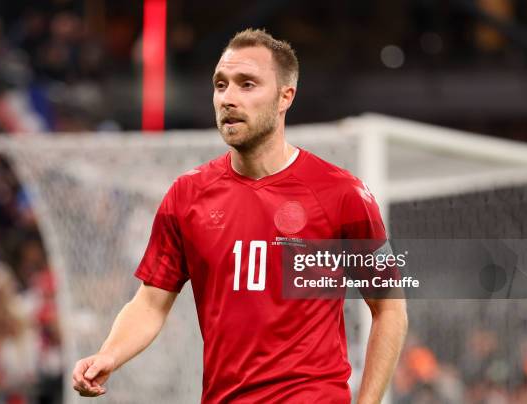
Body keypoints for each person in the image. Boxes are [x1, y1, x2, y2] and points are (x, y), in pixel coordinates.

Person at [72, 28, 408, 403]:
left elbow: (390, 308)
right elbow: (150, 302)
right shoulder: (187, 196)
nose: (228, 98)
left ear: (285, 97)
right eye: (221, 85)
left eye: (247, 84)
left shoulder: (343, 194)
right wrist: (109, 355)